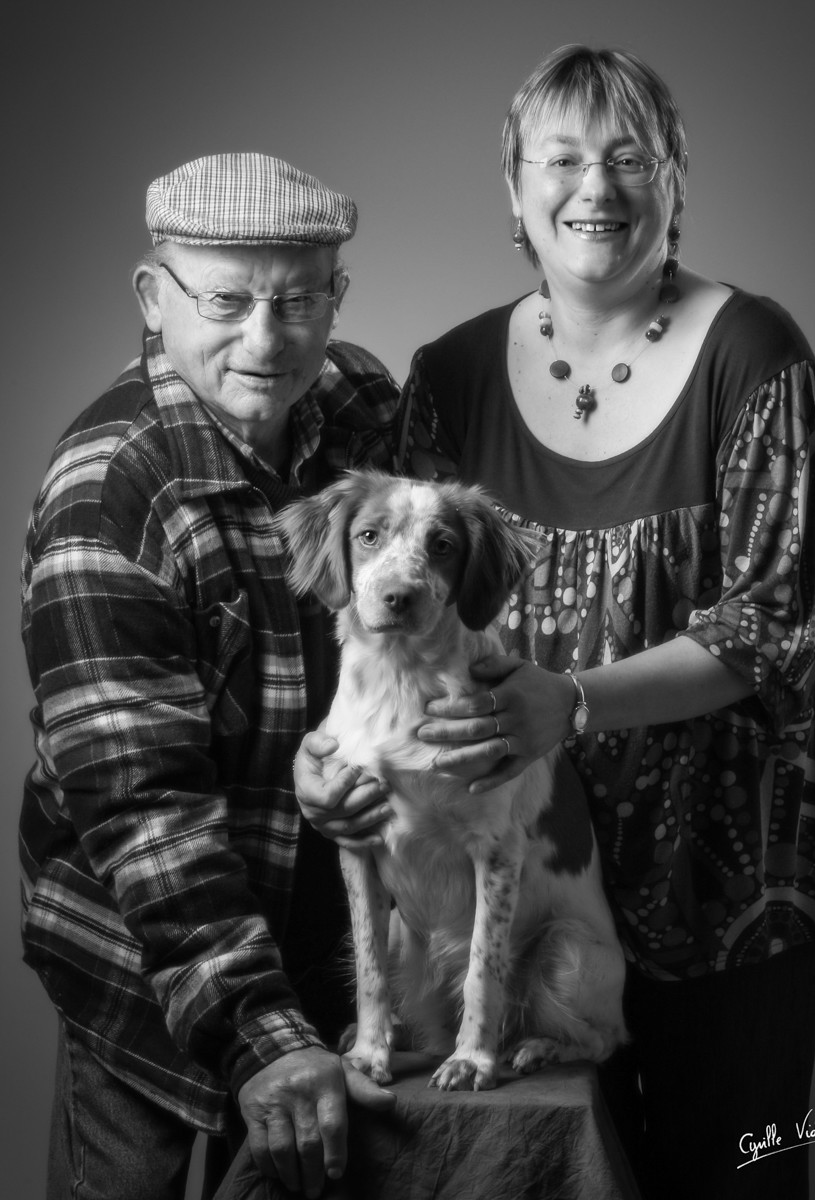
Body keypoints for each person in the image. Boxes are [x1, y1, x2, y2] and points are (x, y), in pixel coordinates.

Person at [294, 47, 815, 1200]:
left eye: (627, 158)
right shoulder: (448, 373)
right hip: (505, 866)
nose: (593, 187)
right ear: (513, 190)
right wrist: (325, 761)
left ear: (672, 183)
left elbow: (773, 625)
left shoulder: (756, 356)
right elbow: (387, 621)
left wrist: (576, 701)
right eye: (558, 159)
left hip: (723, 877)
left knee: (737, 1176)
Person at [20, 152, 400, 1200]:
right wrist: (262, 1037)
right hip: (145, 956)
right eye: (227, 302)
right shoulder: (109, 497)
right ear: (154, 298)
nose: (266, 340)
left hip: (316, 928)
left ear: (336, 295)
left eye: (297, 299)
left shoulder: (362, 407)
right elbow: (145, 813)